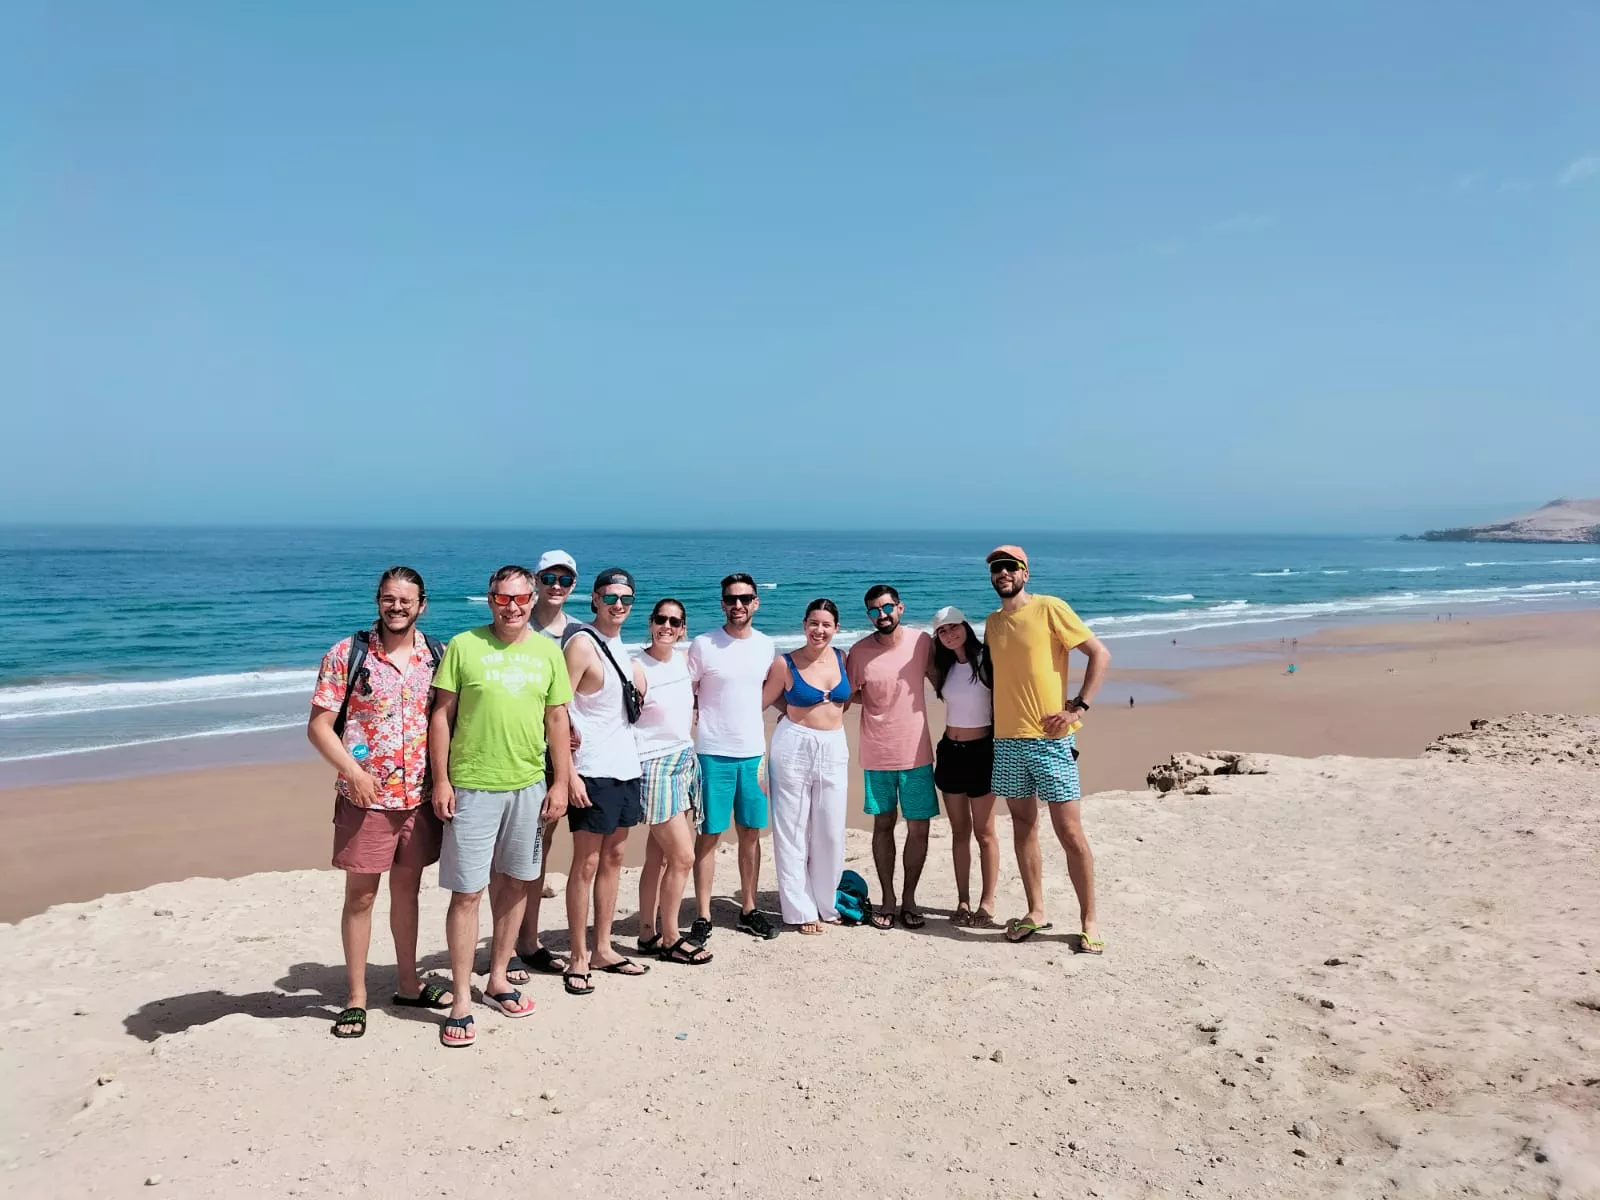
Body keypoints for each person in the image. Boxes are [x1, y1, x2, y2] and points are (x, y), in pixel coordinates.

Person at [430, 565, 574, 1047]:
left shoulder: (547, 652)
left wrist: (561, 782)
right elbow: (441, 717)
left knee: (516, 883)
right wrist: (441, 780)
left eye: (520, 598)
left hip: (529, 785)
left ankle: (497, 978)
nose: (511, 606)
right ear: (489, 600)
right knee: (467, 892)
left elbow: (556, 719)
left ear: (533, 600)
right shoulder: (462, 645)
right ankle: (460, 999)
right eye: (502, 598)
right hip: (471, 787)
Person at [308, 567, 451, 1039]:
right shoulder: (347, 654)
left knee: (408, 891)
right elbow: (319, 727)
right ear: (378, 601)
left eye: (406, 600)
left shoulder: (438, 655)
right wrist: (352, 771)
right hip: (365, 799)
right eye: (389, 599)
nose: (397, 607)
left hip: (420, 799)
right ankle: (355, 997)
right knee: (362, 896)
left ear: (421, 605)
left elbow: (452, 722)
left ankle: (408, 984)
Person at [983, 545, 1111, 953]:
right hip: (1007, 741)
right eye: (996, 568)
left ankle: (1089, 919)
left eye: (1010, 567)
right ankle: (1035, 911)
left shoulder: (1050, 608)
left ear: (1025, 572)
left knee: (1069, 831)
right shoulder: (991, 623)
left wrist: (1078, 707)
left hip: (1050, 741)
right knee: (1023, 828)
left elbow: (1099, 654)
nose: (1003, 573)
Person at [560, 568, 652, 995]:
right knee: (587, 864)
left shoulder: (625, 649)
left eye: (627, 598)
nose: (619, 605)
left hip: (626, 767)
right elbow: (556, 709)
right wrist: (568, 773)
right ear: (595, 599)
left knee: (614, 859)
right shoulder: (580, 644)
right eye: (612, 597)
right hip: (591, 771)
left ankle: (602, 948)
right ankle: (578, 956)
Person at [687, 573, 780, 943]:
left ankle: (749, 908)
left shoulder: (766, 645)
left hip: (753, 753)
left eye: (744, 598)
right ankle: (704, 914)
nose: (737, 605)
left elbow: (770, 690)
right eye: (731, 599)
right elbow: (685, 691)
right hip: (712, 753)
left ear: (755, 602)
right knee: (709, 834)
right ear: (722, 603)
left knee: (751, 834)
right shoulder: (703, 644)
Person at [845, 584, 937, 930]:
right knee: (883, 825)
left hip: (917, 754)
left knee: (919, 827)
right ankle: (888, 898)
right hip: (877, 754)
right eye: (873, 611)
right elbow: (848, 694)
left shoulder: (921, 642)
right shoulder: (858, 652)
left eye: (886, 608)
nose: (881, 615)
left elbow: (942, 676)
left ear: (900, 607)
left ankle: (910, 897)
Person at [509, 548, 581, 983]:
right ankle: (514, 944)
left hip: (559, 759)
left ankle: (528, 940)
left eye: (565, 579)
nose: (556, 585)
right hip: (515, 755)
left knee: (539, 851)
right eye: (549, 577)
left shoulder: (578, 633)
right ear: (536, 579)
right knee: (515, 857)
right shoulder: (517, 623)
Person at [761, 599, 851, 934]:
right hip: (794, 744)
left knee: (830, 829)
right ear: (804, 624)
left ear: (836, 628)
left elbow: (851, 696)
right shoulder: (785, 664)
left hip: (834, 744)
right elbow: (763, 700)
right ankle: (800, 910)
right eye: (814, 623)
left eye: (826, 624)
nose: (819, 630)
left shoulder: (843, 658)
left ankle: (826, 902)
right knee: (792, 827)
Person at [633, 599, 712, 964]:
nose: (667, 626)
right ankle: (671, 937)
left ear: (683, 628)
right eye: (661, 619)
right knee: (683, 856)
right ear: (651, 623)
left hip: (683, 761)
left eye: (674, 621)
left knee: (659, 857)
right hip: (653, 766)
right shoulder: (636, 667)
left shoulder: (684, 662)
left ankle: (647, 932)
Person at [929, 606, 998, 927]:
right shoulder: (943, 666)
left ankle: (987, 901)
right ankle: (963, 899)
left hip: (982, 752)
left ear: (966, 627)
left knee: (985, 832)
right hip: (950, 752)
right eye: (942, 631)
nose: (949, 634)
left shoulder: (987, 660)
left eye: (954, 627)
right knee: (959, 832)